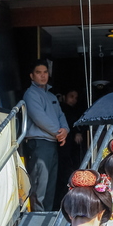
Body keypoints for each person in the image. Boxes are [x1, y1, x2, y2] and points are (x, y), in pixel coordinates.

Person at [23, 60, 69, 211]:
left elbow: (61, 115)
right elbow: (39, 118)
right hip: (40, 143)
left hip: (52, 142)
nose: (43, 76)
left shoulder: (51, 96)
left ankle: (46, 216)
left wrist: (65, 130)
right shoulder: (31, 94)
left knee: (50, 183)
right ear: (31, 76)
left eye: (45, 72)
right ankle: (37, 217)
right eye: (38, 72)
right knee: (39, 183)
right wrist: (59, 133)